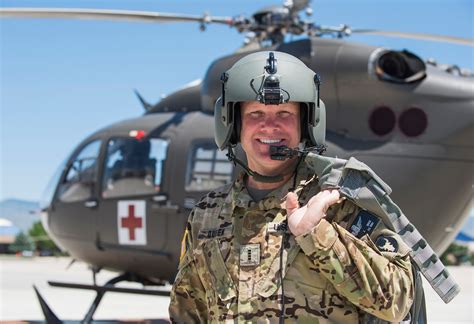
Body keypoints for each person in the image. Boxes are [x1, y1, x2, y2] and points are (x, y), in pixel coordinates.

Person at [169, 51, 414, 323]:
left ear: (307, 123)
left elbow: (398, 302)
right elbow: (187, 312)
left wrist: (319, 236)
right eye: (256, 113)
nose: (270, 126)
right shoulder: (207, 214)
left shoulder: (338, 202)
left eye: (284, 113)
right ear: (232, 124)